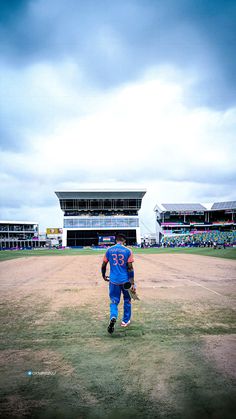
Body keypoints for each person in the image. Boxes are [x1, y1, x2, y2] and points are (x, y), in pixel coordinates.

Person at [101, 233, 136, 334]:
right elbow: (130, 268)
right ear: (124, 241)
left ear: (115, 240)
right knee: (127, 300)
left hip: (113, 281)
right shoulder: (128, 251)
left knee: (114, 301)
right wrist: (132, 283)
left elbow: (103, 265)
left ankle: (113, 316)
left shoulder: (109, 250)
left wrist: (103, 276)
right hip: (125, 281)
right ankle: (125, 321)